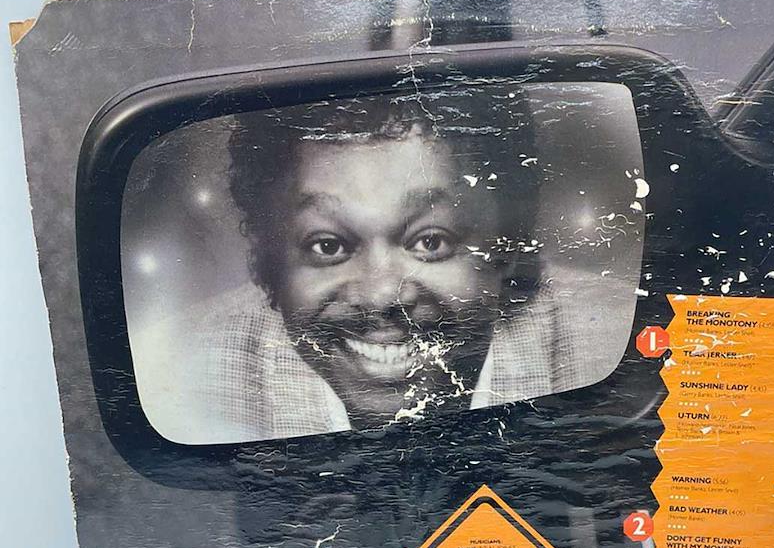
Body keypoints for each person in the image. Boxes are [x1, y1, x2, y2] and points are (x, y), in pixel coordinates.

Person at [154, 85, 640, 443]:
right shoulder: (182, 372)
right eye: (328, 246)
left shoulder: (618, 343)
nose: (382, 294)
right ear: (270, 265)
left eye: (430, 241)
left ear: (506, 245)